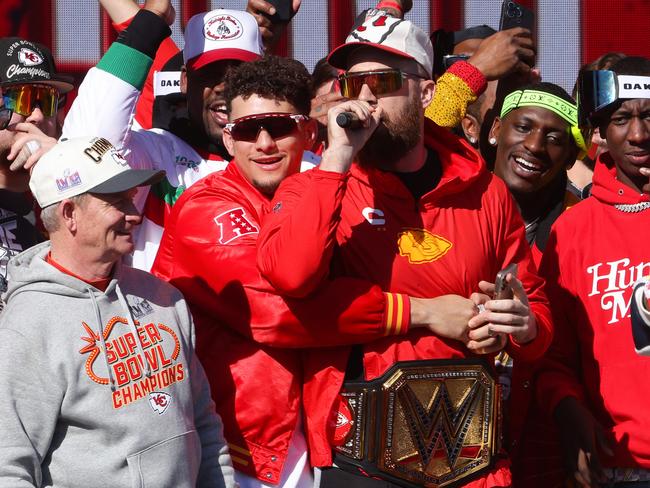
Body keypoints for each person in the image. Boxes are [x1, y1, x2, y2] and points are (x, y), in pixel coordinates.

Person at [151, 53, 485, 488]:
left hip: (314, 444)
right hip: (233, 450)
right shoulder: (206, 206)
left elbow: (406, 142)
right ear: (229, 141)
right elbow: (276, 314)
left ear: (309, 131)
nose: (265, 144)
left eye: (281, 126)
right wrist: (424, 312)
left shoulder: (321, 186)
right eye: (248, 130)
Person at [256, 11, 552, 487]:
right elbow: (290, 284)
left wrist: (522, 326)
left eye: (384, 80)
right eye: (351, 83)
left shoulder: (485, 191)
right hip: (362, 465)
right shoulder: (311, 188)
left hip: (474, 464)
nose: (366, 96)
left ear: (427, 92)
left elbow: (535, 310)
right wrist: (336, 158)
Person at [0, 135, 235, 487]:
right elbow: (10, 467)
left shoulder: (164, 297)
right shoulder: (28, 325)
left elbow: (203, 423)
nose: (136, 214)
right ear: (69, 214)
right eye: (117, 201)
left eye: (133, 197)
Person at [62, 3, 264, 271]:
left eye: (240, 76)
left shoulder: (293, 160)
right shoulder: (158, 154)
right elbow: (89, 144)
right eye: (209, 74)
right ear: (184, 81)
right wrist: (151, 21)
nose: (224, 87)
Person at [537, 56, 650, 488]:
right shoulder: (574, 229)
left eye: (648, 116)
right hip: (614, 469)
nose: (638, 134)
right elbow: (554, 355)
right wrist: (568, 409)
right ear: (600, 132)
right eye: (622, 118)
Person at [485, 82, 586, 487]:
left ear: (572, 158)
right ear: (494, 130)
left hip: (546, 449)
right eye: (523, 127)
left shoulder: (581, 228)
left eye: (554, 138)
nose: (535, 145)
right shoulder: (445, 204)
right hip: (449, 441)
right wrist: (471, 76)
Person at [0, 37, 71, 308]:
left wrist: (63, 165)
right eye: (24, 99)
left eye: (47, 100)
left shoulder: (71, 202)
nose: (38, 117)